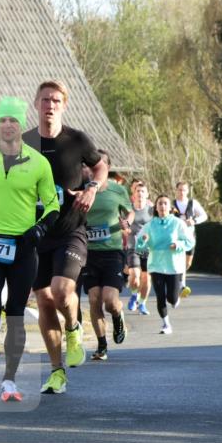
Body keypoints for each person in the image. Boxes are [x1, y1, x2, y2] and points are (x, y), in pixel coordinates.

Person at [0, 97, 59, 402]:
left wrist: (39, 229)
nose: (7, 125)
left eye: (13, 121)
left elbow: (53, 205)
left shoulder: (38, 162)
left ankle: (9, 381)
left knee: (16, 314)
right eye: (3, 120)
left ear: (21, 125)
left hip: (23, 248)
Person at [22, 80, 107, 395]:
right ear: (37, 103)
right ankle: (57, 372)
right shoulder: (24, 143)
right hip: (36, 234)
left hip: (71, 230)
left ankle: (73, 326)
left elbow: (100, 168)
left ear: (64, 105)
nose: (50, 105)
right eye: (45, 100)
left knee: (60, 291)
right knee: (43, 299)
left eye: (56, 100)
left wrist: (92, 189)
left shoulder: (77, 140)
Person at [81, 153, 133, 361]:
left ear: (107, 167)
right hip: (89, 252)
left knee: (110, 301)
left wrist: (126, 223)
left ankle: (118, 315)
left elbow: (129, 212)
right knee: (94, 299)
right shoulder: (83, 188)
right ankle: (102, 345)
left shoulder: (117, 189)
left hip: (112, 251)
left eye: (100, 163)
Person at [136, 195, 195, 335]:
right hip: (156, 265)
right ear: (156, 207)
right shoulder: (149, 226)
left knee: (172, 299)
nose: (162, 206)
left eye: (165, 204)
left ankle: (176, 295)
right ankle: (166, 324)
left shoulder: (178, 223)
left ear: (170, 208)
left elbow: (190, 242)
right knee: (160, 296)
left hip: (173, 266)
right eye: (160, 204)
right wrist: (142, 242)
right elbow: (139, 248)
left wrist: (178, 245)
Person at [170, 181, 207, 299]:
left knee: (187, 263)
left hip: (190, 237)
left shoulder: (193, 203)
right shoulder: (171, 204)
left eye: (184, 190)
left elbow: (204, 216)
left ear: (187, 191)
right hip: (176, 237)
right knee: (179, 261)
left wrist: (194, 221)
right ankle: (182, 286)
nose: (182, 192)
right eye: (179, 189)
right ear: (176, 190)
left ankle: (178, 278)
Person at [126, 180, 154, 315]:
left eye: (143, 191)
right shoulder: (128, 209)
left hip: (148, 249)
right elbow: (123, 227)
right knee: (135, 276)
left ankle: (142, 303)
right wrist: (125, 231)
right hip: (133, 247)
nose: (140, 194)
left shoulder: (152, 210)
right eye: (138, 191)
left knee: (146, 279)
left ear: (147, 194)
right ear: (134, 194)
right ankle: (133, 295)